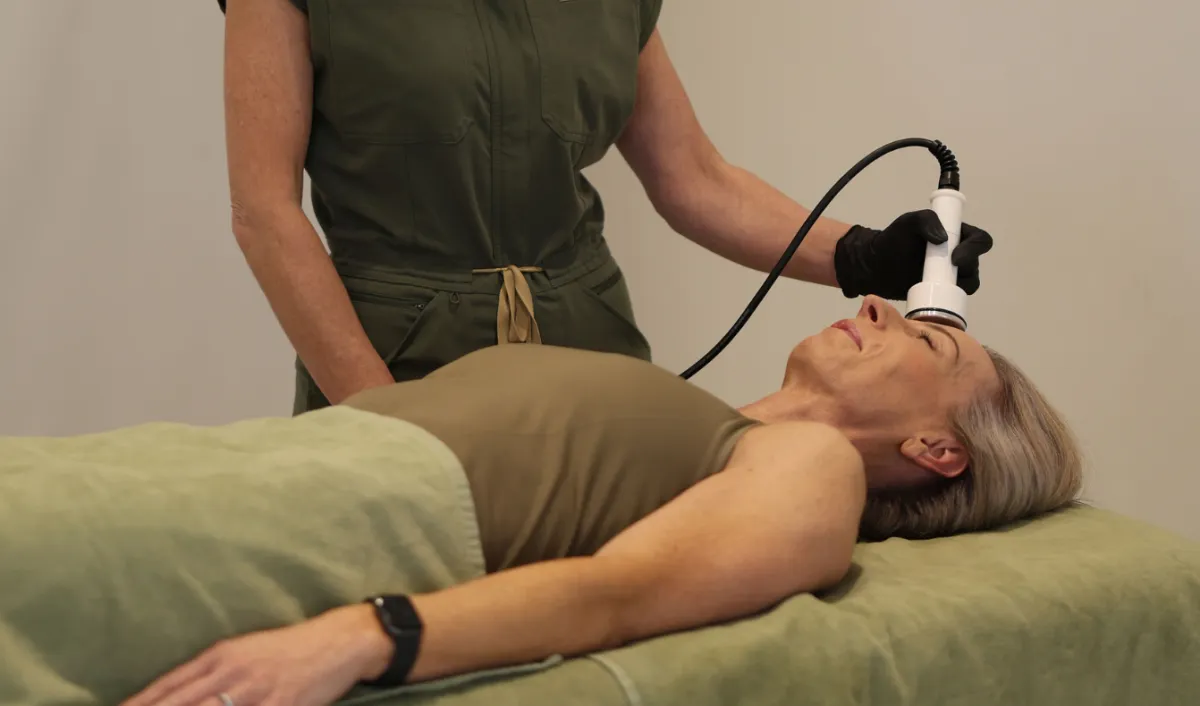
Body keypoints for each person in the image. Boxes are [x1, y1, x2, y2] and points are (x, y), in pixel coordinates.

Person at [115, 295, 1082, 706]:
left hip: (305, 518)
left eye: (926, 339)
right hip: (236, 461)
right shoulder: (711, 423)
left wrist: (363, 637)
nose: (876, 305)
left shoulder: (811, 465)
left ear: (937, 451)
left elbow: (618, 594)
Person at [215, 0, 996, 415]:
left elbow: (695, 178)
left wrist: (863, 255)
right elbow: (265, 215)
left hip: (591, 352)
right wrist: (381, 420)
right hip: (391, 360)